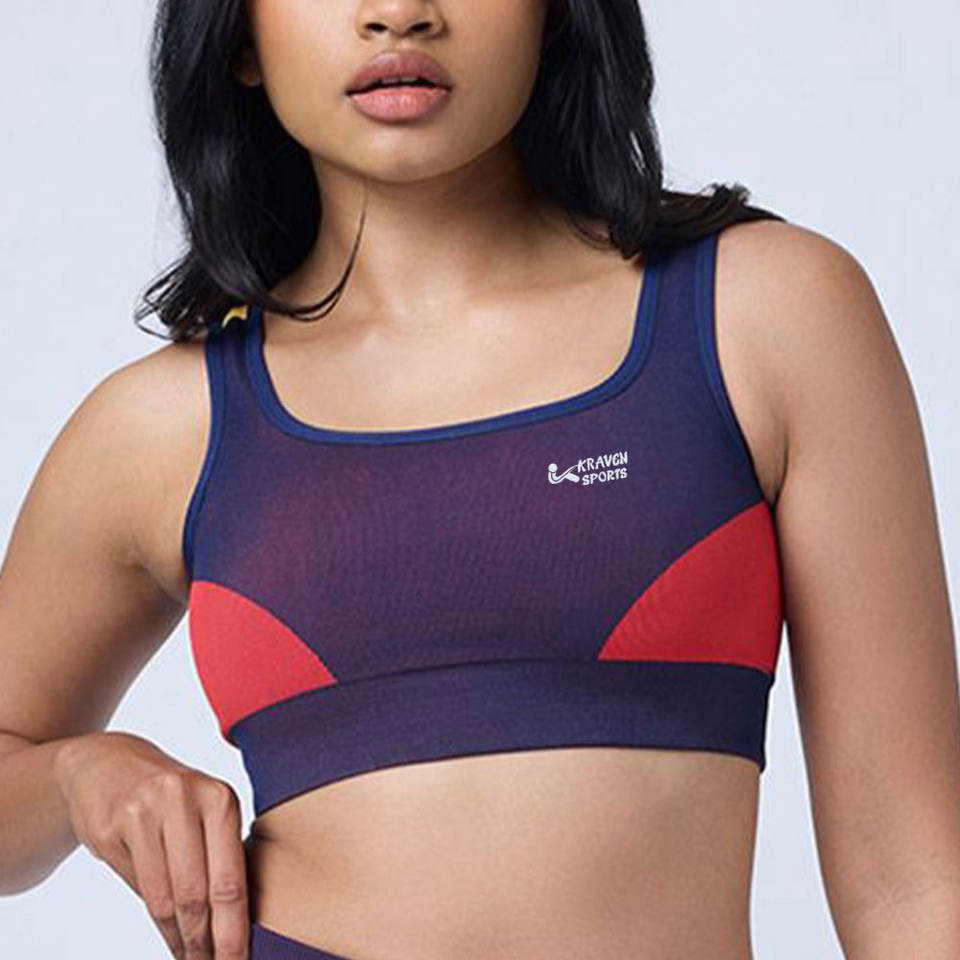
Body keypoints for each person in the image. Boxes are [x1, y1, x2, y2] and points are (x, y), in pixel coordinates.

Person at [2, 1, 958, 958]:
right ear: (241, 38)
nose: (398, 14)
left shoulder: (762, 315)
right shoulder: (163, 426)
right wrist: (87, 777)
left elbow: (913, 881)